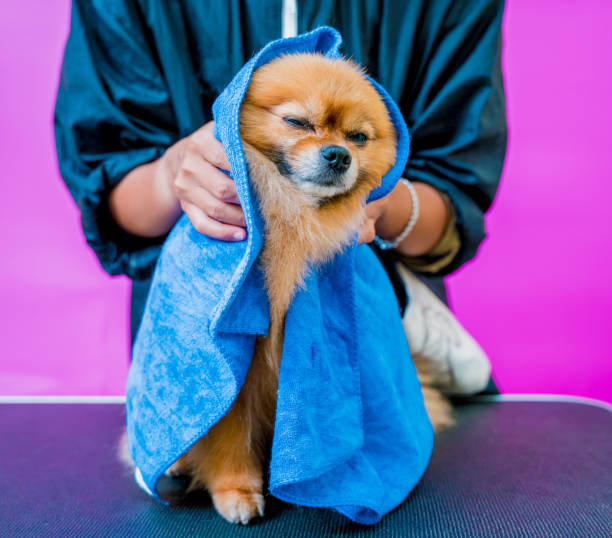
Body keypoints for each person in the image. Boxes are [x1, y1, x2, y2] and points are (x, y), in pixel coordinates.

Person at [55, 0, 506, 394]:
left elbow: (456, 195)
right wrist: (173, 174)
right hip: (197, 343)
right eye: (297, 122)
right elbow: (107, 186)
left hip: (379, 347)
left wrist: (383, 200)